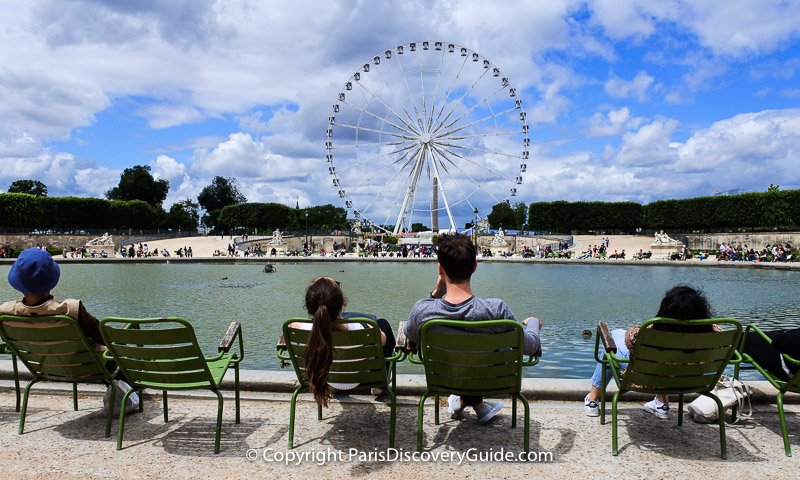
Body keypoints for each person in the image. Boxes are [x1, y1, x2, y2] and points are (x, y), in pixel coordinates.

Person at [404, 233, 543, 424]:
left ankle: (463, 401)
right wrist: (534, 322)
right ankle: (475, 403)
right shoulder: (497, 310)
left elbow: (409, 335)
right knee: (487, 354)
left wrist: (435, 294)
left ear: (440, 269)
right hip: (492, 381)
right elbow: (530, 346)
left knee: (463, 361)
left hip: (444, 380)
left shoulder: (423, 310)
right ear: (475, 266)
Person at [584, 285, 714, 419]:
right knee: (668, 360)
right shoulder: (713, 336)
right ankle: (662, 403)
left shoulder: (649, 333)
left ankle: (593, 399)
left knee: (612, 341)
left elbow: (630, 337)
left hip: (649, 376)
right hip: (687, 380)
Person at [292, 277, 396, 406]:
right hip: (361, 379)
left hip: (325, 380)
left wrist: (319, 284)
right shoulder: (366, 328)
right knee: (383, 324)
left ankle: (335, 383)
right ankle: (380, 385)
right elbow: (385, 342)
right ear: (343, 303)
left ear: (309, 306)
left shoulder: (294, 328)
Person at [0, 247, 103, 347]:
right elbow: (106, 337)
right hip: (86, 363)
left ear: (18, 281)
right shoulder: (71, 310)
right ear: (51, 279)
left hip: (38, 362)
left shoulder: (5, 312)